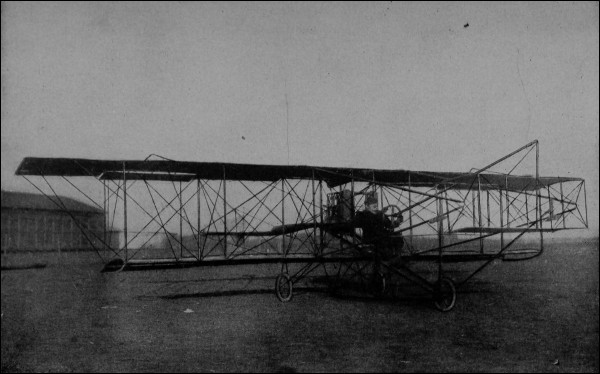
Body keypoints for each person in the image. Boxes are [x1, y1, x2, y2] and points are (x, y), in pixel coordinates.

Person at [354, 193, 404, 266]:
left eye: (376, 206)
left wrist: (397, 221)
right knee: (397, 238)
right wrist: (397, 220)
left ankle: (395, 258)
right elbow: (388, 224)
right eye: (374, 207)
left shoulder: (376, 215)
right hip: (375, 240)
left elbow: (390, 225)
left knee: (397, 236)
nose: (376, 208)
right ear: (367, 206)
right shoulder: (366, 215)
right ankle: (395, 259)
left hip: (376, 239)